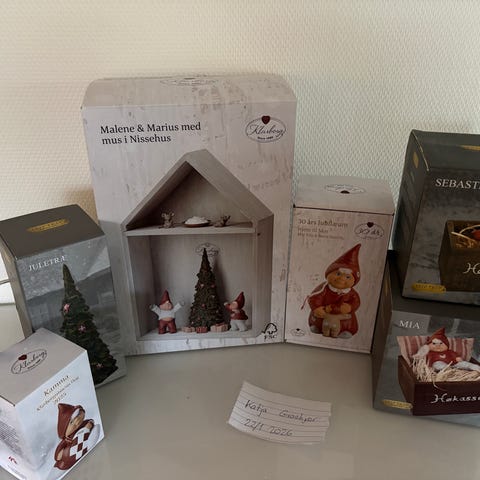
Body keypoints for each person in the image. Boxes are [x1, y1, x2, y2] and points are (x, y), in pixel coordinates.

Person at [306, 244, 361, 338]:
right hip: (324, 312)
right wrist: (316, 308)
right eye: (338, 274)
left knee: (347, 321)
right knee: (318, 318)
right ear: (329, 274)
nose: (342, 279)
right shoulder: (323, 288)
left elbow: (356, 301)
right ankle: (317, 327)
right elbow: (314, 297)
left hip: (342, 315)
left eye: (348, 277)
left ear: (354, 281)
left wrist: (349, 307)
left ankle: (345, 330)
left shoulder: (351, 293)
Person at [414, 327, 480, 372]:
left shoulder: (449, 352)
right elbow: (426, 360)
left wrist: (457, 358)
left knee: (464, 363)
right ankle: (449, 371)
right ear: (428, 345)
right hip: (439, 366)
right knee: (438, 364)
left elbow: (455, 356)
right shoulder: (430, 353)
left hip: (454, 365)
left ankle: (474, 367)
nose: (438, 346)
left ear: (446, 345)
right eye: (434, 343)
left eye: (441, 343)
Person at [54, 404, 94, 470]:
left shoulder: (81, 426)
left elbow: (90, 421)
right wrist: (63, 453)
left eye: (79, 416)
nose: (77, 422)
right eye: (72, 422)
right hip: (68, 462)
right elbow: (58, 456)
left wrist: (90, 424)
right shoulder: (66, 440)